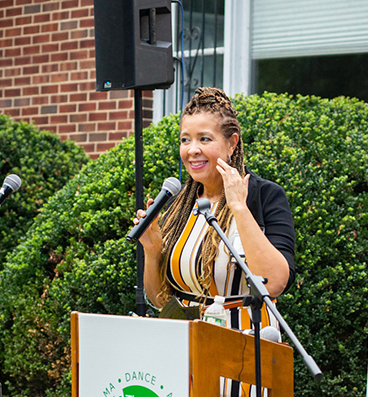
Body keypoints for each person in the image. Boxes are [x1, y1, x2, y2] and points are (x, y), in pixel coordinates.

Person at [134, 87, 295, 395]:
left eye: (204, 139)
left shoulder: (263, 196)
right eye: (185, 139)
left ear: (232, 143)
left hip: (244, 354)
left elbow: (274, 282)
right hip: (183, 353)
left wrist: (238, 207)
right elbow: (160, 300)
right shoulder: (179, 204)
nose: (192, 149)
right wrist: (152, 249)